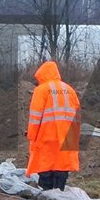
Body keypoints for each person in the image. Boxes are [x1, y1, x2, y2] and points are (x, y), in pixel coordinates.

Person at [25, 59, 81, 192]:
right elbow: (77, 116)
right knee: (61, 171)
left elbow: (35, 117)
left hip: (48, 138)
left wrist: (31, 136)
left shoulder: (41, 90)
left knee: (46, 173)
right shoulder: (70, 90)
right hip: (67, 139)